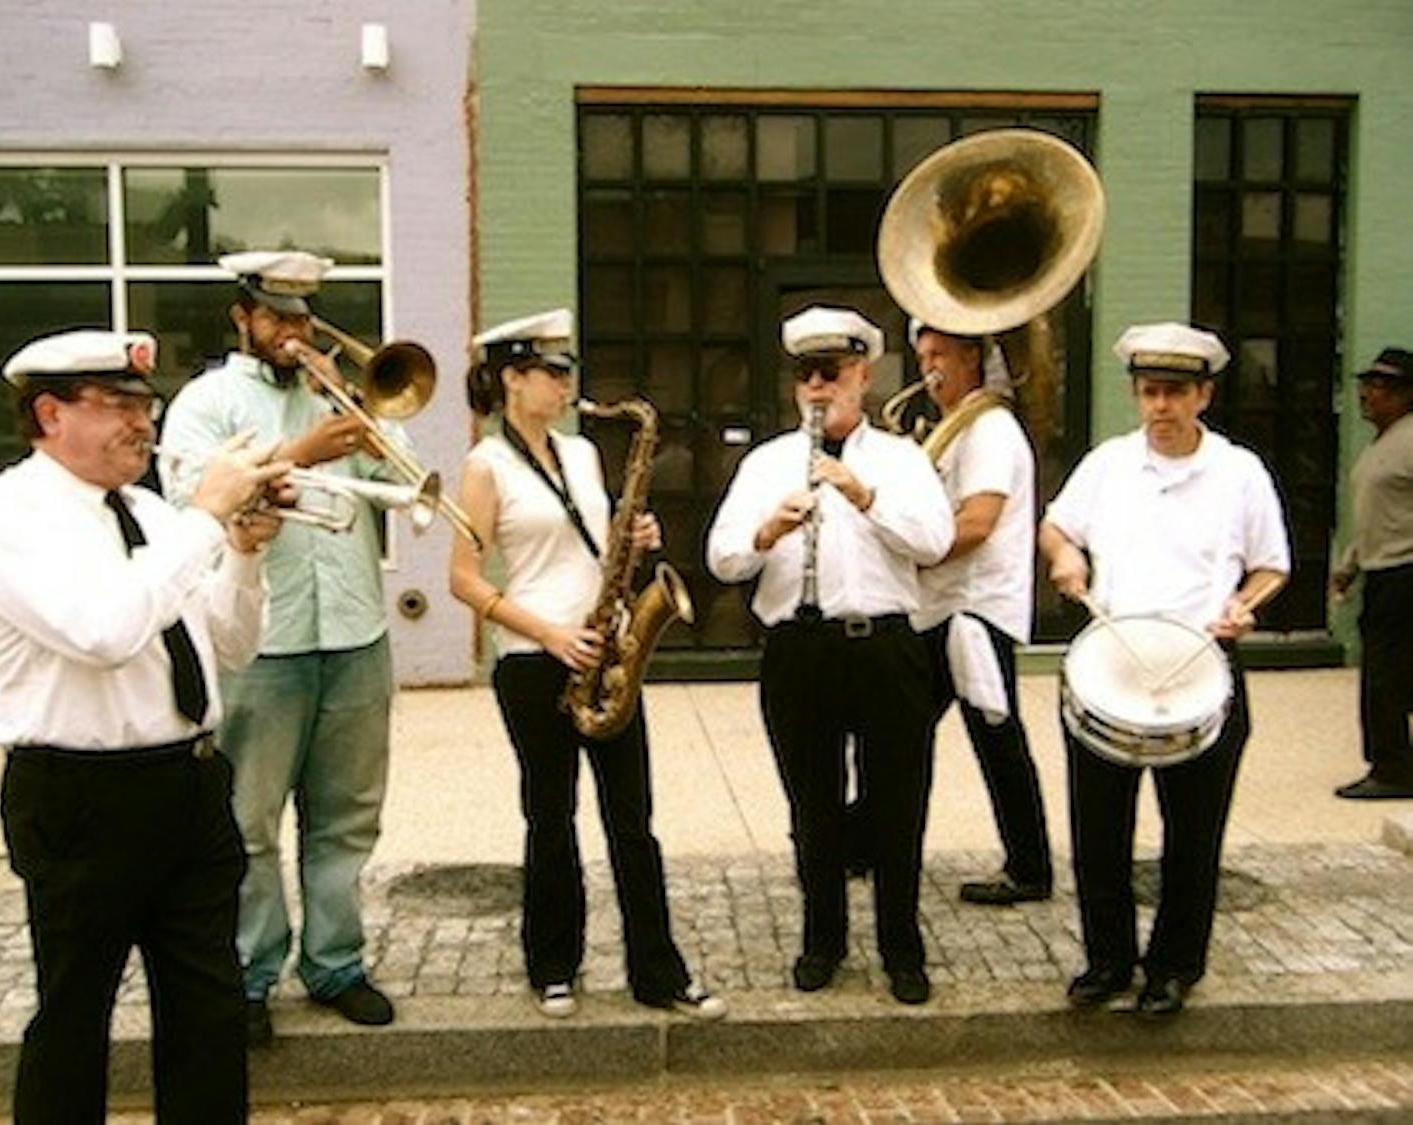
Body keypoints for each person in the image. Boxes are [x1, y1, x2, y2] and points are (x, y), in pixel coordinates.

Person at [0, 329, 290, 1124]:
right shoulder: (5, 517)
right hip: (79, 794)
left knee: (208, 1014)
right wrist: (208, 515)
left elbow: (229, 647)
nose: (143, 423)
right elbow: (103, 631)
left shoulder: (148, 512)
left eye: (146, 405)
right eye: (119, 405)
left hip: (190, 782)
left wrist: (241, 551)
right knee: (74, 1016)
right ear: (49, 413)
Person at [448, 308, 725, 1021]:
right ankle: (553, 966)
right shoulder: (486, 465)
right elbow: (465, 579)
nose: (568, 382)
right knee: (551, 816)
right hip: (536, 662)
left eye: (568, 370)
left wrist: (634, 539)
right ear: (514, 378)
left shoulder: (579, 453)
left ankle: (658, 973)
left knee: (633, 819)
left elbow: (597, 549)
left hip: (607, 649)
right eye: (554, 370)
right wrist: (549, 634)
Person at [160, 250, 404, 1045]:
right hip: (263, 642)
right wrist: (301, 452)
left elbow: (401, 471)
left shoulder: (337, 393)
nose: (294, 332)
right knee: (251, 820)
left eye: (304, 317)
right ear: (243, 315)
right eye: (278, 316)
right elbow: (190, 498)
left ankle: (335, 962)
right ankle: (250, 972)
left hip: (356, 630)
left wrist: (369, 416)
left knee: (347, 817)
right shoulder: (205, 402)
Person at [1039, 322, 1290, 1017]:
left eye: (1176, 392)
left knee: (1193, 835)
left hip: (1204, 663)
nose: (1160, 406)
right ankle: (1108, 960)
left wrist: (1244, 604)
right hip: (1113, 662)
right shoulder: (1109, 464)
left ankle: (1174, 966)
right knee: (1098, 831)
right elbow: (1058, 526)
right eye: (1149, 391)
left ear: (1204, 394)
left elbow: (1274, 565)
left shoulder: (1240, 472)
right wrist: (1066, 557)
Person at [706, 306, 954, 1005]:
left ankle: (902, 947)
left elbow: (934, 542)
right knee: (811, 805)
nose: (818, 388)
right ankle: (824, 940)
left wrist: (864, 495)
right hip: (799, 650)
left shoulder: (902, 460)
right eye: (805, 376)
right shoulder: (765, 463)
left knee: (898, 804)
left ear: (863, 376)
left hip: (885, 650)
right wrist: (765, 530)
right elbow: (721, 559)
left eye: (832, 374)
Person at [908, 322, 1053, 906]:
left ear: (972, 356)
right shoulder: (960, 425)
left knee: (994, 737)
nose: (929, 368)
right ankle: (864, 839)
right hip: (947, 607)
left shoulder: (989, 429)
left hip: (972, 610)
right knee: (907, 730)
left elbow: (976, 523)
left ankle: (1031, 868)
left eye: (939, 354)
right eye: (922, 357)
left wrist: (907, 554)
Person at [1330, 347, 1413, 799]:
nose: (1368, 394)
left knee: (1385, 675)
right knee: (1386, 674)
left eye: (1381, 387)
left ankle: (1393, 770)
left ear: (1406, 395)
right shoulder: (1382, 444)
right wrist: (1348, 566)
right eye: (1367, 384)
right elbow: (1375, 517)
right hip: (1382, 573)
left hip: (1405, 573)